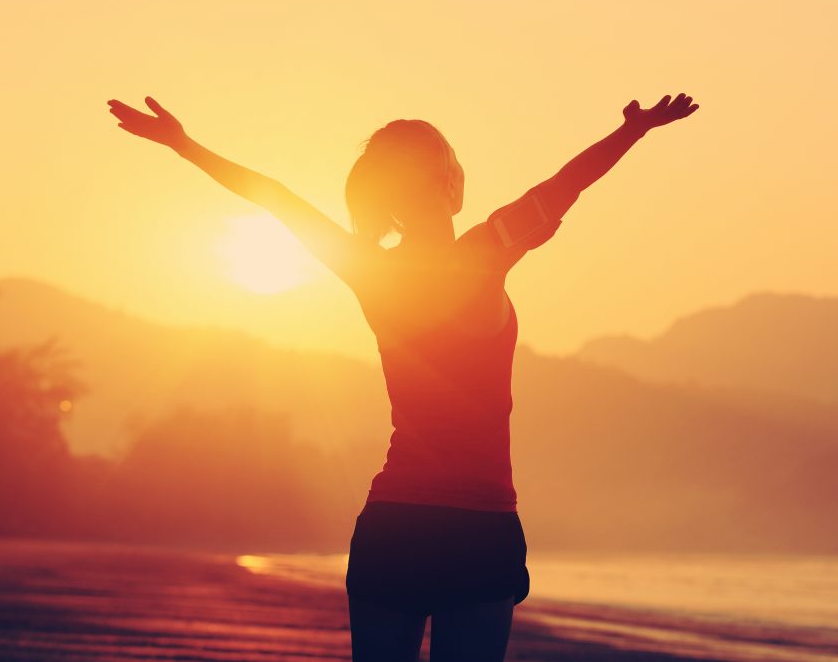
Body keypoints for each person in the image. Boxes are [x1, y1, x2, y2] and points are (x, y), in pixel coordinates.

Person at [105, 92, 700, 661]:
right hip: (480, 527)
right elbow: (566, 185)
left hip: (396, 526)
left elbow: (276, 198)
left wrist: (184, 145)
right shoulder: (487, 250)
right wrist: (632, 131)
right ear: (450, 183)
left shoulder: (372, 271)